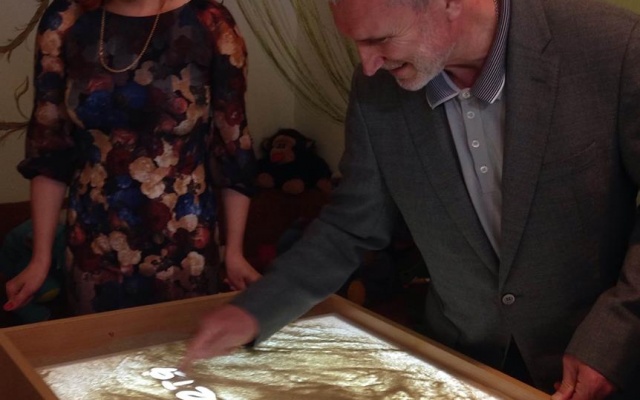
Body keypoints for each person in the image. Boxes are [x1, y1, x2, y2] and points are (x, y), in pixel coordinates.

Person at [184, 0, 640, 398]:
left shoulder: (612, 46)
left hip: (601, 359)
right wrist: (256, 311)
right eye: (356, 43)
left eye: (380, 39)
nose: (367, 65)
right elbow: (351, 224)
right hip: (463, 360)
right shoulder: (376, 89)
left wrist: (611, 340)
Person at [4, 0, 260, 315]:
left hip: (184, 249)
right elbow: (49, 150)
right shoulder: (65, 20)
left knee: (179, 344)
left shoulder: (211, 22)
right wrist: (40, 259)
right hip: (92, 249)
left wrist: (234, 251)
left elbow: (233, 147)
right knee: (96, 344)